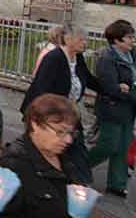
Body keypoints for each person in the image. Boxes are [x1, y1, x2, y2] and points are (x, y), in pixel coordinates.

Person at [0, 94, 87, 218]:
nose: (68, 140)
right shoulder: (13, 164)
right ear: (35, 124)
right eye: (60, 132)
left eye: (71, 133)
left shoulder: (65, 161)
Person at [21, 24, 100, 182]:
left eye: (86, 40)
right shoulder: (54, 58)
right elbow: (41, 88)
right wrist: (42, 117)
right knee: (45, 150)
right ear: (67, 39)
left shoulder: (78, 58)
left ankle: (77, 185)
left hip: (68, 114)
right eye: (81, 39)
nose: (85, 43)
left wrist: (113, 89)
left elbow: (89, 80)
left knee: (76, 150)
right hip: (48, 114)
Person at [87, 20, 136, 198]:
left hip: (128, 108)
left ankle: (117, 184)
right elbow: (110, 88)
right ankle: (80, 167)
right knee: (109, 145)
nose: (132, 40)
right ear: (116, 40)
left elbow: (127, 84)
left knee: (124, 146)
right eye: (129, 37)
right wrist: (127, 91)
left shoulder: (132, 55)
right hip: (112, 108)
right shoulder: (107, 58)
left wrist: (127, 89)